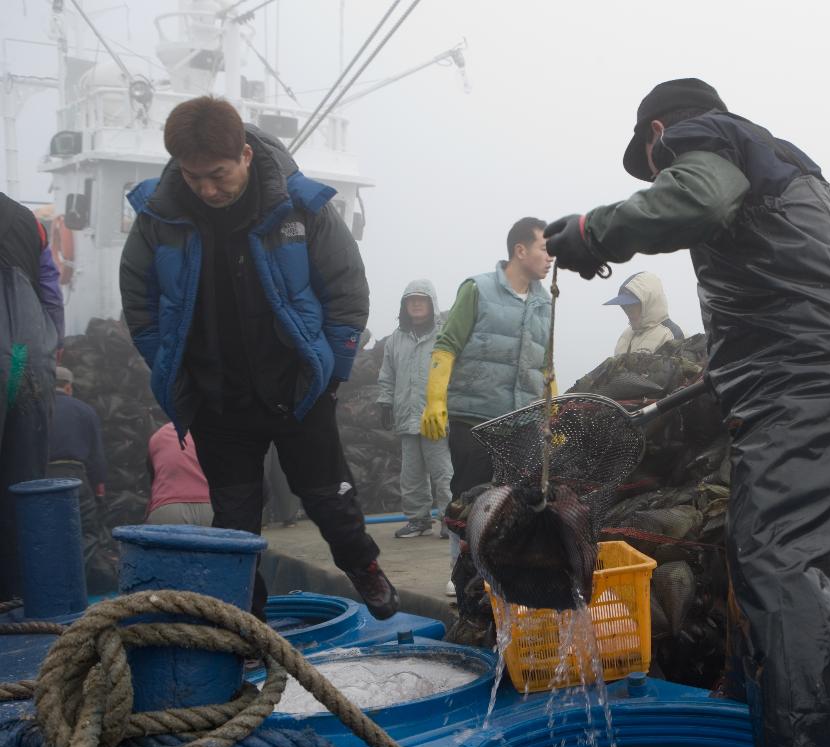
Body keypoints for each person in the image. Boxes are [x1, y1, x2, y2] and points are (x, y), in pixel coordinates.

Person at [545, 79, 830, 747]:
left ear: (659, 131)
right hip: (829, 372)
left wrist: (592, 229)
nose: (659, 173)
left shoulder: (700, 136)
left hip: (813, 380)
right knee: (774, 547)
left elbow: (696, 200)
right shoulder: (787, 169)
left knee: (781, 555)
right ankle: (759, 704)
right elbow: (791, 285)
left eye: (655, 163)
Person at [118, 96, 398, 619]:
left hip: (298, 388)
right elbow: (140, 303)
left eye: (218, 175)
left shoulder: (300, 205)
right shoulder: (159, 216)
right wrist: (171, 367)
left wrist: (332, 374)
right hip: (217, 397)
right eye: (194, 177)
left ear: (245, 155)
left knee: (329, 498)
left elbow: (347, 291)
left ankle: (364, 568)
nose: (207, 189)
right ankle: (247, 622)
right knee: (234, 520)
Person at [420, 217, 554, 599]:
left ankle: (500, 575)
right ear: (520, 250)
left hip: (524, 418)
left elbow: (546, 365)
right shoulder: (477, 289)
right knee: (468, 497)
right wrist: (435, 400)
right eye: (545, 248)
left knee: (517, 499)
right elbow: (446, 345)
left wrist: (552, 414)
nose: (550, 258)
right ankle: (460, 571)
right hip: (475, 417)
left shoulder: (546, 301)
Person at [0, 193, 61, 600]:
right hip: (25, 356)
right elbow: (51, 292)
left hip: (16, 353)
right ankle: (16, 593)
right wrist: (49, 344)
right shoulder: (27, 219)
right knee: (23, 482)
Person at [378, 280, 452, 539]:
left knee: (442, 472)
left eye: (422, 299)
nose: (417, 304)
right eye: (411, 300)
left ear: (432, 304)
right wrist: (385, 402)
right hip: (406, 415)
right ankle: (418, 520)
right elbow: (387, 375)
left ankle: (449, 519)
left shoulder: (445, 335)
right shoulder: (395, 340)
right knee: (410, 474)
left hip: (434, 417)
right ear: (404, 306)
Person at [47, 366, 114, 590]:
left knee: (47, 530)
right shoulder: (85, 410)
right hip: (76, 477)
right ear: (68, 387)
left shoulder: (36, 408)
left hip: (41, 477)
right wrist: (99, 491)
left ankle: (49, 586)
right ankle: (74, 585)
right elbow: (97, 457)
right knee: (86, 531)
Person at [146, 422, 214, 526]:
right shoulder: (212, 433)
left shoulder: (158, 436)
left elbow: (153, 478)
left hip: (167, 509)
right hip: (210, 508)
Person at [606, 270, 684, 355]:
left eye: (632, 304)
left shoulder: (670, 334)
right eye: (624, 305)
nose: (627, 310)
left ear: (648, 303)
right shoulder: (625, 336)